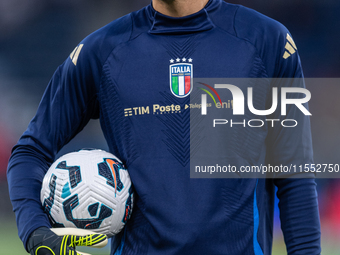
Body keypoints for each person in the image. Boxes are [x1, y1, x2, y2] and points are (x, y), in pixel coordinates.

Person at [7, 0, 321, 254]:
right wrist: (35, 231)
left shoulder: (266, 41)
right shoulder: (101, 51)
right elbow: (30, 151)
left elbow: (294, 174)